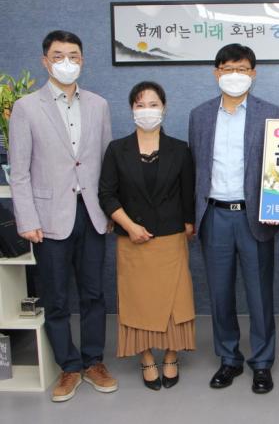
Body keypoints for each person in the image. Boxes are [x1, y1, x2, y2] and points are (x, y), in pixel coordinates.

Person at [8, 30, 117, 402]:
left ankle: (93, 361)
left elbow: (106, 163)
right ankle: (68, 366)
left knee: (94, 294)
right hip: (48, 217)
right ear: (45, 61)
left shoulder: (99, 105)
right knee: (55, 297)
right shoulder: (26, 107)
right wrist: (27, 219)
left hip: (92, 213)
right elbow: (19, 171)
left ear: (83, 60)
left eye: (74, 56)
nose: (67, 62)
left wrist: (110, 208)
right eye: (58, 56)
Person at [189, 43, 279, 394]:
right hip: (214, 216)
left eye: (242, 69)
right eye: (227, 69)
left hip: (253, 216)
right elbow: (196, 168)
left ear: (253, 74)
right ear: (216, 73)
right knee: (220, 294)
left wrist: (277, 207)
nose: (234, 75)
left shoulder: (270, 113)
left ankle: (262, 362)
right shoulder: (199, 115)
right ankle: (229, 358)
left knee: (260, 295)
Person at [98, 81, 196, 391]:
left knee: (175, 300)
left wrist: (188, 225)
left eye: (153, 105)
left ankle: (171, 353)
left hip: (171, 237)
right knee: (138, 301)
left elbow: (188, 194)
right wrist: (129, 226)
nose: (147, 111)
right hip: (132, 238)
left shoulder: (180, 149)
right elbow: (106, 194)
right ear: (131, 109)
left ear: (164, 108)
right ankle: (145, 356)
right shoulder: (117, 149)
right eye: (140, 105)